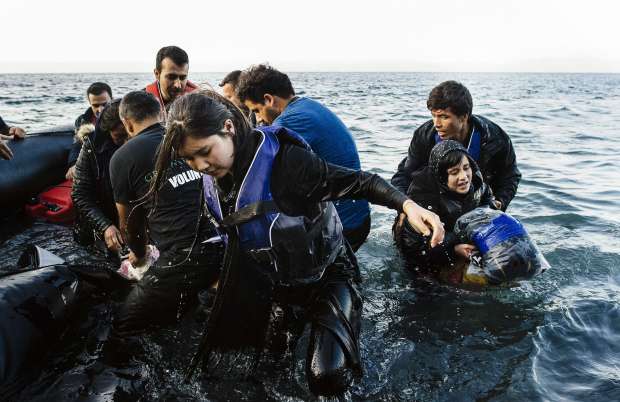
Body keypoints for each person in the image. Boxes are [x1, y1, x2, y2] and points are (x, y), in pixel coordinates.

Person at [149, 90, 444, 396]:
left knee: (326, 377)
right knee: (263, 369)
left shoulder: (288, 163)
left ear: (228, 127)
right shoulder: (216, 176)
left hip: (330, 274)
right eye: (189, 159)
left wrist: (408, 206)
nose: (200, 165)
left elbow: (362, 182)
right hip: (282, 283)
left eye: (204, 151)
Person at [109, 90, 222, 336]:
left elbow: (130, 225)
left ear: (127, 124)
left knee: (123, 325)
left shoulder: (123, 157)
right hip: (225, 245)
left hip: (184, 257)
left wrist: (138, 255)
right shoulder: (189, 139)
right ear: (162, 114)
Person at [237, 64, 372, 251]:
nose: (258, 118)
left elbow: (253, 160)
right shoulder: (307, 106)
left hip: (344, 225)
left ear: (269, 99)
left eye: (257, 110)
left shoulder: (288, 122)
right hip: (359, 216)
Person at [391, 81, 521, 214]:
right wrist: (406, 209)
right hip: (432, 205)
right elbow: (404, 175)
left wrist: (499, 202)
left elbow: (510, 176)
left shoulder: (495, 138)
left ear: (464, 117)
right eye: (433, 115)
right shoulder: (424, 136)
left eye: (444, 117)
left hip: (480, 206)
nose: (436, 124)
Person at [395, 140, 494, 284]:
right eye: (454, 172)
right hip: (425, 261)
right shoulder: (422, 198)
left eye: (466, 168)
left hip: (462, 247)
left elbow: (490, 216)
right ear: (441, 176)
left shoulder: (480, 187)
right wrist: (454, 249)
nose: (464, 177)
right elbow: (414, 248)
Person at [71, 99, 128, 255]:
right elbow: (79, 194)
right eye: (119, 137)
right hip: (100, 221)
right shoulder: (91, 147)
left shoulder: (141, 147)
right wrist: (105, 226)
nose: (125, 143)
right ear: (107, 132)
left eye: (129, 136)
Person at [66, 82, 113, 179]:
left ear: (112, 99)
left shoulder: (123, 117)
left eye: (104, 104)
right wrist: (74, 164)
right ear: (89, 103)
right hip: (92, 164)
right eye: (95, 105)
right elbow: (77, 144)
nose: (100, 109)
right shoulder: (82, 121)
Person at [145, 46, 198, 120]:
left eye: (182, 78)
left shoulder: (198, 100)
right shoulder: (141, 105)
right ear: (157, 74)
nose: (178, 85)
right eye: (171, 77)